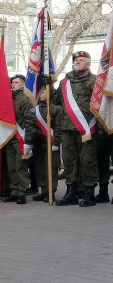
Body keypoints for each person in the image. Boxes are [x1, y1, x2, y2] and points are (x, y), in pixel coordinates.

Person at [54, 50, 98, 207]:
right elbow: (57, 100)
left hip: (86, 128)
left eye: (81, 59)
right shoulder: (65, 82)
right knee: (69, 161)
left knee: (87, 161)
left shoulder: (94, 80)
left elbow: (100, 104)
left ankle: (88, 193)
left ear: (88, 63)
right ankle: (71, 192)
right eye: (76, 60)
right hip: (67, 128)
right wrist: (48, 85)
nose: (77, 62)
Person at [0, 74, 35, 205]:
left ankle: (22, 193)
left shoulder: (24, 100)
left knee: (20, 168)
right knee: (12, 168)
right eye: (12, 82)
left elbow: (30, 121)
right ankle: (14, 191)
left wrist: (28, 141)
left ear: (23, 84)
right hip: (10, 138)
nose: (13, 84)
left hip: (21, 140)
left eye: (16, 82)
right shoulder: (9, 99)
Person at [31, 85, 62, 203]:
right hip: (39, 143)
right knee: (40, 167)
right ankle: (43, 190)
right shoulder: (35, 109)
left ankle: (51, 192)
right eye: (41, 92)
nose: (42, 94)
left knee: (52, 168)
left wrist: (57, 142)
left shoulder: (55, 109)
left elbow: (58, 127)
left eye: (45, 92)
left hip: (51, 143)